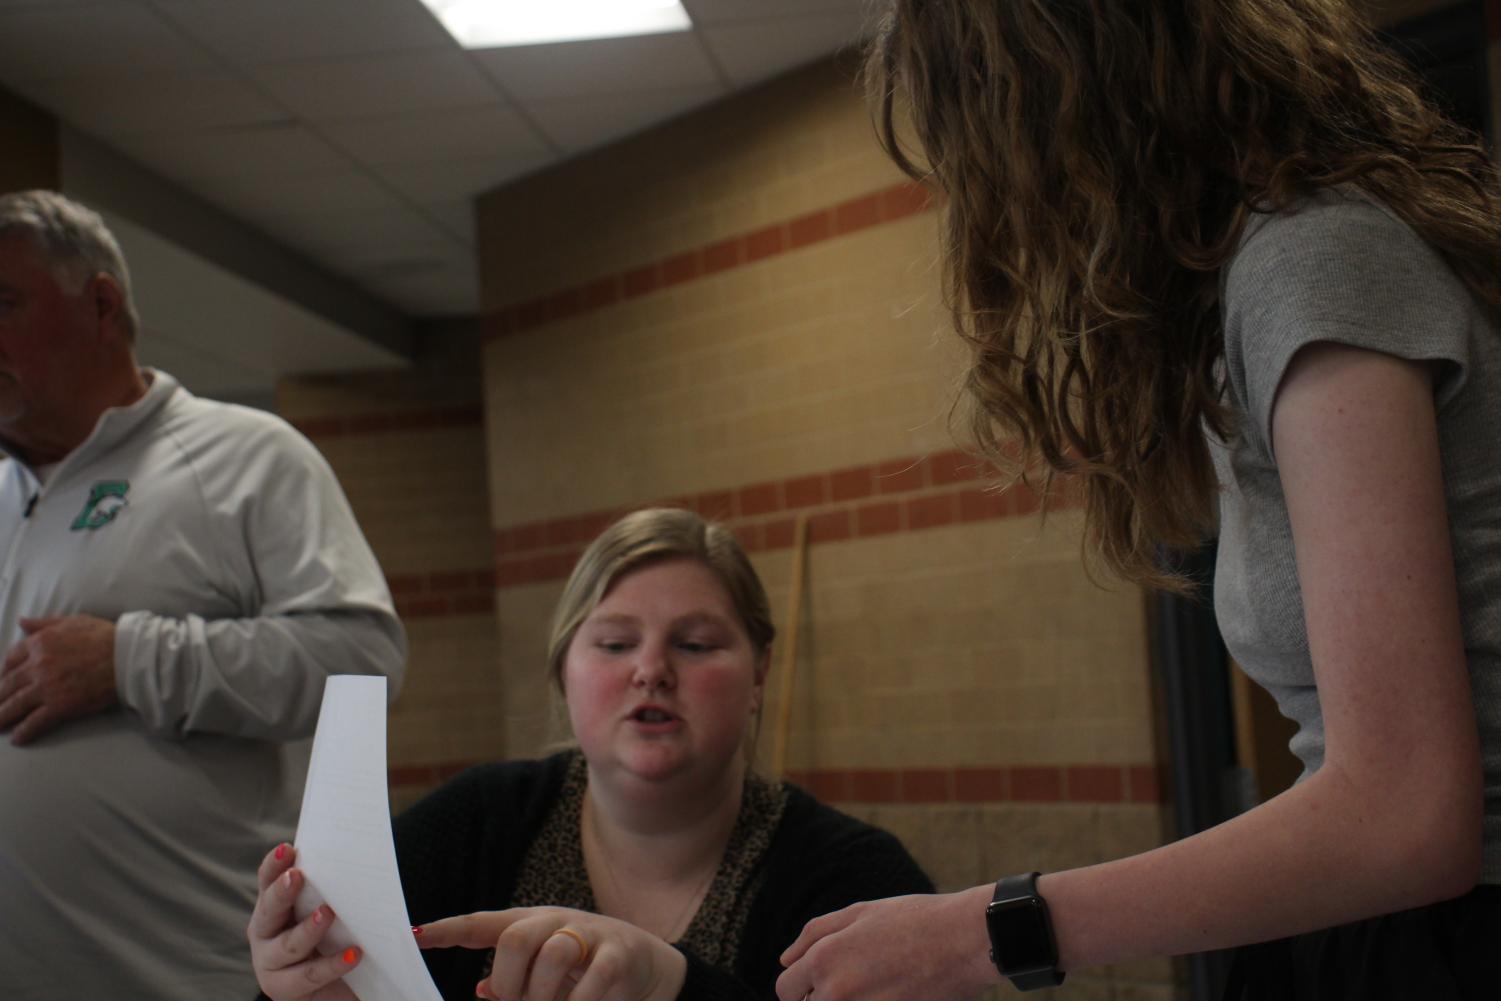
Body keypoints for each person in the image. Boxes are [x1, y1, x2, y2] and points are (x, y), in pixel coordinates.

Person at [774, 2, 1501, 1000]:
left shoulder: (1315, 260)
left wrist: (986, 927)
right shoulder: (1261, 271)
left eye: (985, 142)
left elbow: (1406, 813)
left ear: (1065, 111)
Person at [250, 507, 933, 1001]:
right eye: (613, 644)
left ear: (759, 673)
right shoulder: (476, 823)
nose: (651, 670)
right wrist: (307, 985)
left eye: (694, 644)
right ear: (562, 670)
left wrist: (671, 983)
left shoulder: (855, 881)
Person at [0, 190, 407, 1000]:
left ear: (101, 305)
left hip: (196, 978)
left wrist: (129, 659)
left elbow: (365, 663)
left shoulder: (244, 458)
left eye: (2, 303)